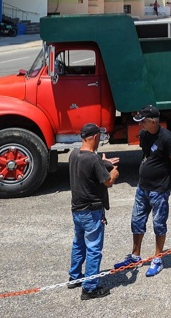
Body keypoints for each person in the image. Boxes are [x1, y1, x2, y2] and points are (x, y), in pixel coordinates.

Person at [115, 104, 171, 277]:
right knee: (136, 221)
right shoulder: (144, 134)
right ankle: (135, 255)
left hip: (159, 189)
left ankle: (157, 259)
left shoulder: (166, 138)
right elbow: (146, 156)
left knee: (158, 224)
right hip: (142, 187)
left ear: (153, 121)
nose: (140, 125)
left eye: (142, 121)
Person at [68, 122, 119, 300]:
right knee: (94, 248)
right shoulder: (93, 159)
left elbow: (89, 167)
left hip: (77, 210)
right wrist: (113, 171)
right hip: (92, 211)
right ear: (95, 137)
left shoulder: (74, 154)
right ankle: (90, 287)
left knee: (79, 243)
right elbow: (108, 181)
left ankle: (74, 277)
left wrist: (103, 162)